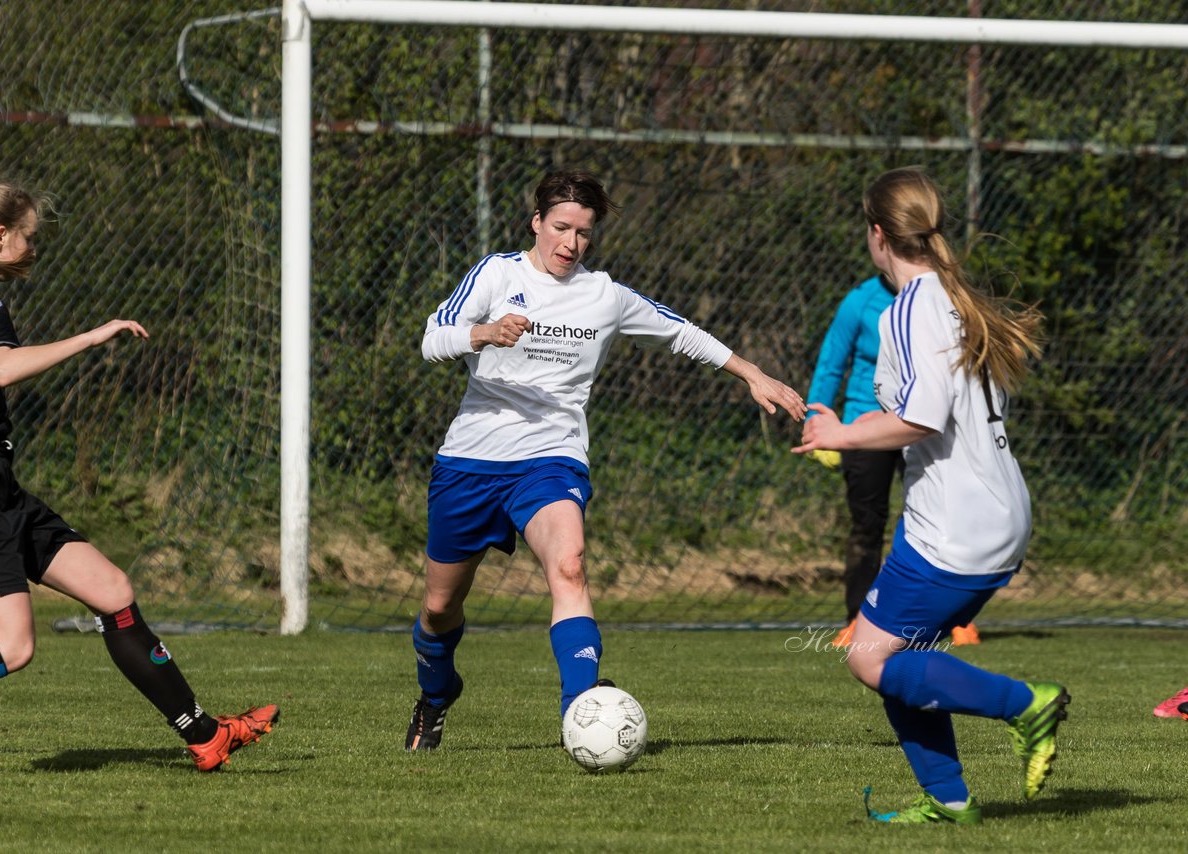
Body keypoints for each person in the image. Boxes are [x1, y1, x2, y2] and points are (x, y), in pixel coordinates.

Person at [406, 169, 806, 751]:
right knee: (440, 608)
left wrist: (753, 374)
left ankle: (582, 714)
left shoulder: (605, 295)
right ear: (536, 222)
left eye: (584, 233)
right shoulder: (497, 273)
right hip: (471, 460)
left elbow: (680, 333)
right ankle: (436, 695)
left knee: (569, 568)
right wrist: (486, 333)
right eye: (561, 228)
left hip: (552, 457)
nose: (571, 244)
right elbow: (432, 338)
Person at [0, 183, 277, 771]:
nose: (34, 248)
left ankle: (207, 736)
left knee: (112, 591)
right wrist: (91, 336)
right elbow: (0, 369)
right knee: (14, 644)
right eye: (30, 237)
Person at [793, 167, 1067, 824]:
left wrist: (843, 432)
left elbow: (922, 418)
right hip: (994, 514)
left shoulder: (910, 308)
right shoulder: (951, 296)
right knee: (898, 653)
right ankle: (947, 798)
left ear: (878, 233)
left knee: (869, 656)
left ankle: (1028, 702)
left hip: (955, 525)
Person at [805, 275, 979, 649]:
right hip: (865, 425)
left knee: (941, 521)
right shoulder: (860, 300)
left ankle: (957, 619)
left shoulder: (941, 296)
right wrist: (814, 424)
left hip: (923, 423)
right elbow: (831, 363)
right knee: (867, 525)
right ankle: (857, 620)